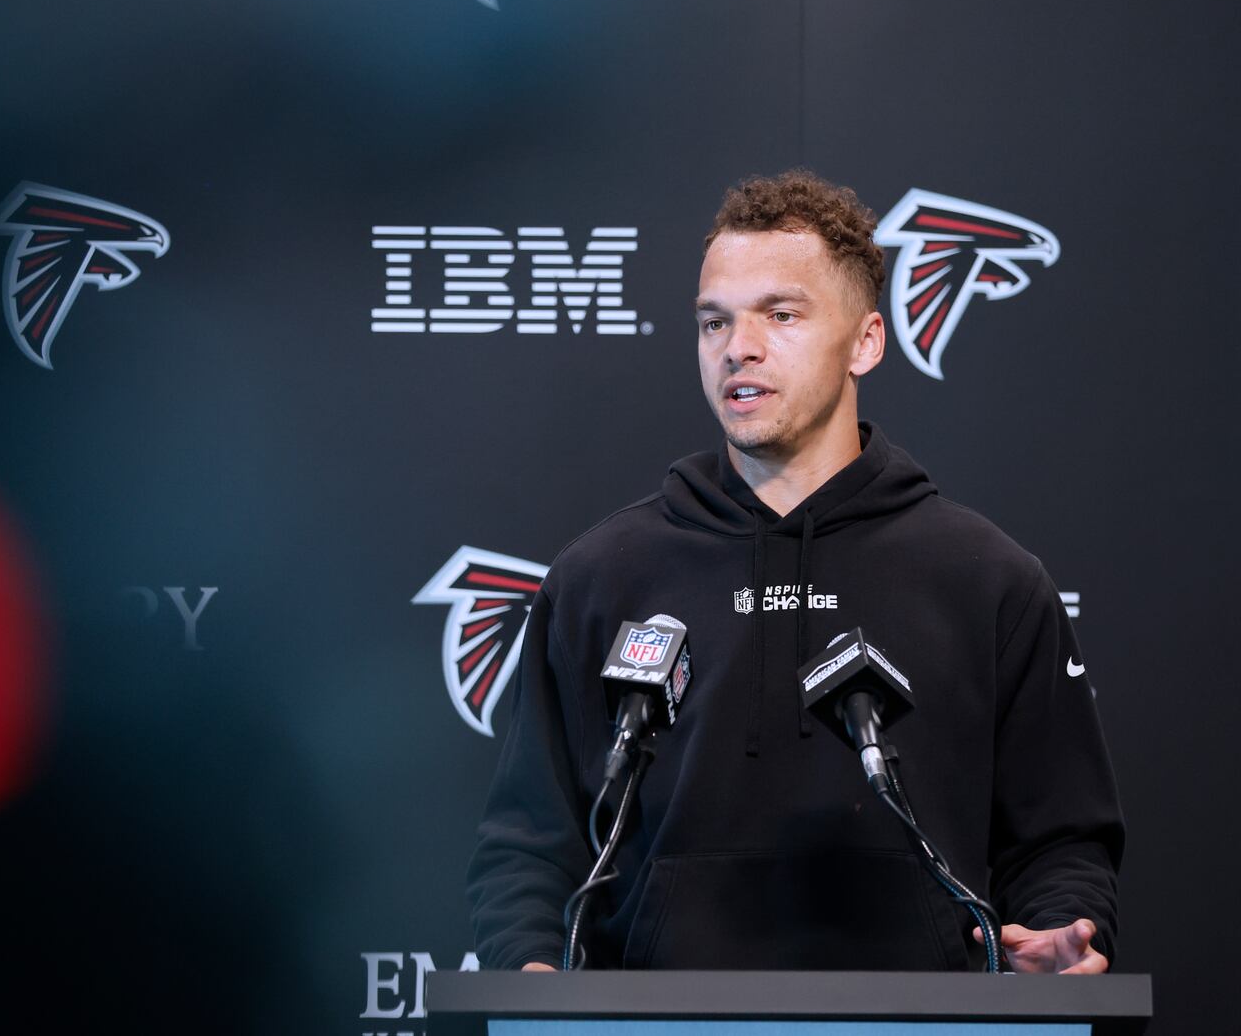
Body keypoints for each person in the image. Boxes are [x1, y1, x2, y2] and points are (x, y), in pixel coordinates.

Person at [465, 170, 1123, 975]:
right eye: (714, 322)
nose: (738, 346)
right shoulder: (600, 577)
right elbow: (528, 844)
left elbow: (1060, 843)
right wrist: (531, 978)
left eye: (780, 315)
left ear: (867, 341)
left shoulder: (988, 580)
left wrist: (1059, 941)